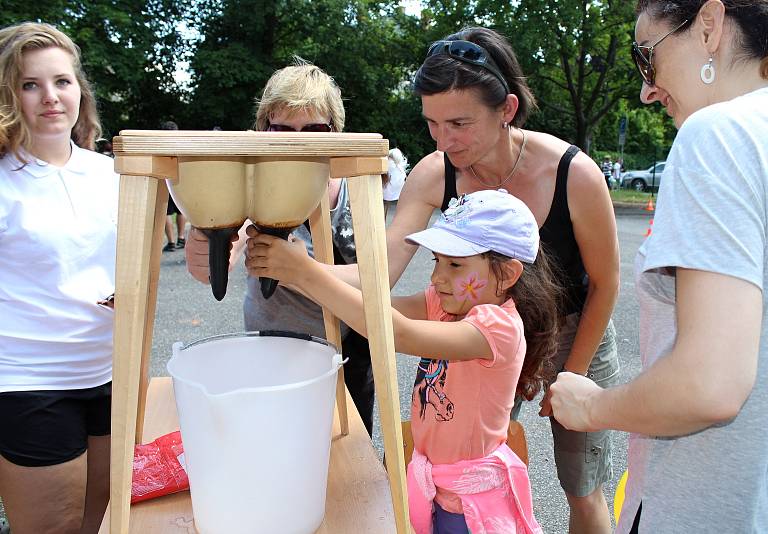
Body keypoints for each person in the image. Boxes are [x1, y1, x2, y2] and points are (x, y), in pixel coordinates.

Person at [327, 26, 621, 532]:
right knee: (471, 472)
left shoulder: (573, 172)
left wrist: (570, 375)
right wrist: (298, 267)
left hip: (573, 333)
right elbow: (380, 270)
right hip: (475, 337)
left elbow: (606, 283)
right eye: (432, 124)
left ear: (506, 109)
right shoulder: (434, 173)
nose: (444, 140)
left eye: (459, 123)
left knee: (582, 486)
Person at [549, 1, 768, 532]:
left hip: (705, 507)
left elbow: (708, 384)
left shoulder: (723, 135)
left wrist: (592, 405)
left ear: (709, 25)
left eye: (647, 57)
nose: (646, 88)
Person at [246, 189, 560, 533]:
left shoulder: (498, 327)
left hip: (470, 504)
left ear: (508, 274)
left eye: (455, 264)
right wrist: (293, 273)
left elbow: (397, 332)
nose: (437, 277)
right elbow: (374, 305)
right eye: (436, 261)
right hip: (436, 489)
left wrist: (305, 271)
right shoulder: (447, 304)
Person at [184, 58, 378, 435]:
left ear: (336, 133)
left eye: (313, 129)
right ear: (261, 130)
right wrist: (204, 231)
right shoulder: (250, 188)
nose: (296, 141)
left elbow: (372, 281)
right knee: (276, 439)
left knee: (348, 449)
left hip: (348, 351)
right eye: (282, 129)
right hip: (272, 349)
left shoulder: (355, 193)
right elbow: (207, 269)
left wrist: (298, 270)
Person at [0, 22, 118, 534]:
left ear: (79, 91)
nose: (50, 97)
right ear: (9, 95)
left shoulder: (112, 172)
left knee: (102, 520)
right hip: (30, 380)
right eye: (30, 84)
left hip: (111, 372)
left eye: (62, 81)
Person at [160, 120, 187, 252]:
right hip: (179, 179)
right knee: (180, 209)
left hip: (164, 179)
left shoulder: (160, 146)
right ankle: (181, 238)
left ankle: (171, 242)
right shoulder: (182, 145)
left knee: (166, 212)